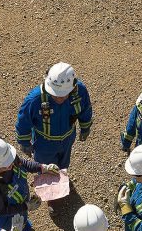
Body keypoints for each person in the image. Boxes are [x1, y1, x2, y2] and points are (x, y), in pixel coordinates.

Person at [15, 62, 93, 212]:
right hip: (44, 144)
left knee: (64, 164)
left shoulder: (80, 91)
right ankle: (52, 198)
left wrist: (85, 127)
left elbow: (85, 110)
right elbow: (23, 121)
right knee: (46, 169)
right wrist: (24, 142)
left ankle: (62, 181)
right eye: (55, 94)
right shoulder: (35, 99)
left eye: (63, 95)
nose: (59, 98)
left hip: (68, 138)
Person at [0, 136, 59, 231]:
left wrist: (42, 167)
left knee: (22, 219)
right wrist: (26, 206)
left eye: (10, 162)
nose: (11, 165)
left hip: (20, 204)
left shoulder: (8, 158)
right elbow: (0, 210)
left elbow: (24, 164)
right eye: (6, 166)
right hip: (5, 217)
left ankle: (25, 229)